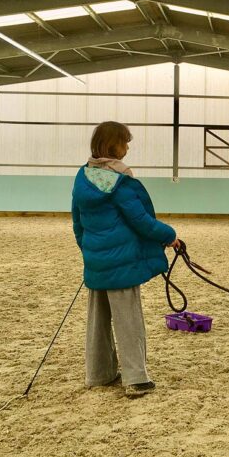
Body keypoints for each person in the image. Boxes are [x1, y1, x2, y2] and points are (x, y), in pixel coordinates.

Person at [71, 121, 180, 397]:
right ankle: (135, 379)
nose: (127, 147)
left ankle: (99, 373)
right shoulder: (121, 182)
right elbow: (141, 220)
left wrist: (91, 252)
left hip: (96, 261)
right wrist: (169, 235)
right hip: (122, 262)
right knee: (128, 319)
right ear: (113, 145)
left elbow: (77, 224)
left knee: (98, 320)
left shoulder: (82, 177)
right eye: (125, 142)